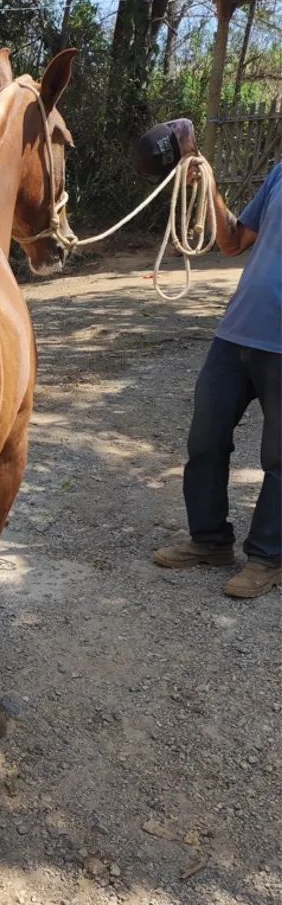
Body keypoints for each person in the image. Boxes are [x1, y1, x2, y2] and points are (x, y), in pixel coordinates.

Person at [153, 152, 281, 597]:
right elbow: (233, 241)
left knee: (279, 458)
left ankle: (268, 557)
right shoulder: (280, 174)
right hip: (237, 332)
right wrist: (207, 188)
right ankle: (209, 541)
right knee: (205, 439)